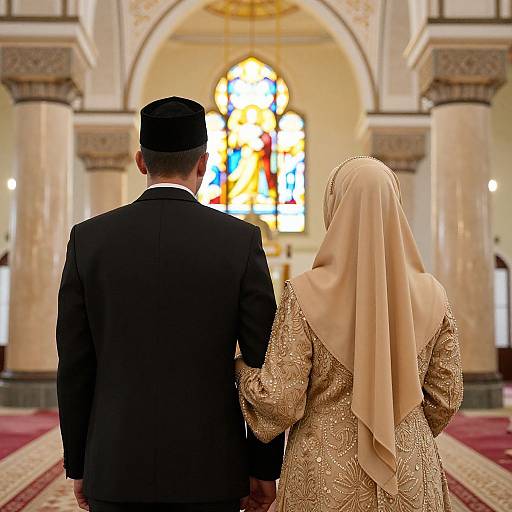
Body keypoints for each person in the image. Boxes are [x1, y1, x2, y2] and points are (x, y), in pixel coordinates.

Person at [56, 96, 284, 512]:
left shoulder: (89, 241)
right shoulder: (238, 242)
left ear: (141, 161)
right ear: (204, 163)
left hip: (115, 463)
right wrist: (264, 466)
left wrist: (79, 464)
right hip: (213, 468)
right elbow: (263, 364)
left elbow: (74, 366)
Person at [235, 156, 464, 511]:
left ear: (334, 207)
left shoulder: (304, 293)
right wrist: (399, 425)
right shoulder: (433, 294)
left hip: (324, 472)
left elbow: (279, 401)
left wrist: (240, 369)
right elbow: (446, 396)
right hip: (409, 470)